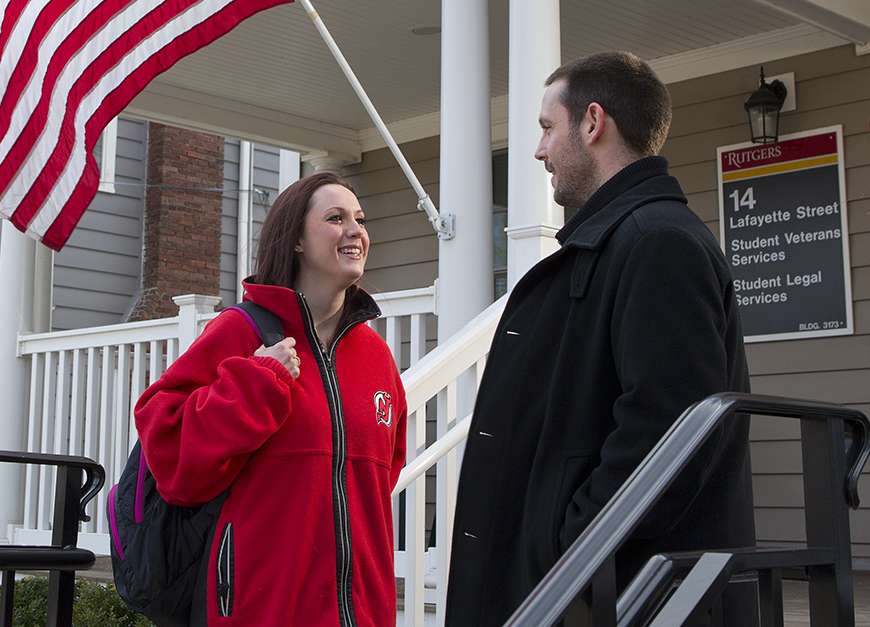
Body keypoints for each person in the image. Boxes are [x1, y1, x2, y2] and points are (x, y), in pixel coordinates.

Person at [445, 52, 756, 625]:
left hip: (613, 594)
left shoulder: (659, 243)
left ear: (592, 123)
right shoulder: (619, 242)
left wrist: (567, 544)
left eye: (545, 127)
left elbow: (667, 429)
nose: (538, 151)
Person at [135, 172, 407, 626]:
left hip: (363, 614)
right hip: (259, 608)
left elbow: (382, 477)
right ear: (296, 239)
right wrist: (258, 381)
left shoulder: (376, 356)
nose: (355, 231)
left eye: (359, 219)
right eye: (336, 218)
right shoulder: (239, 331)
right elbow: (170, 451)